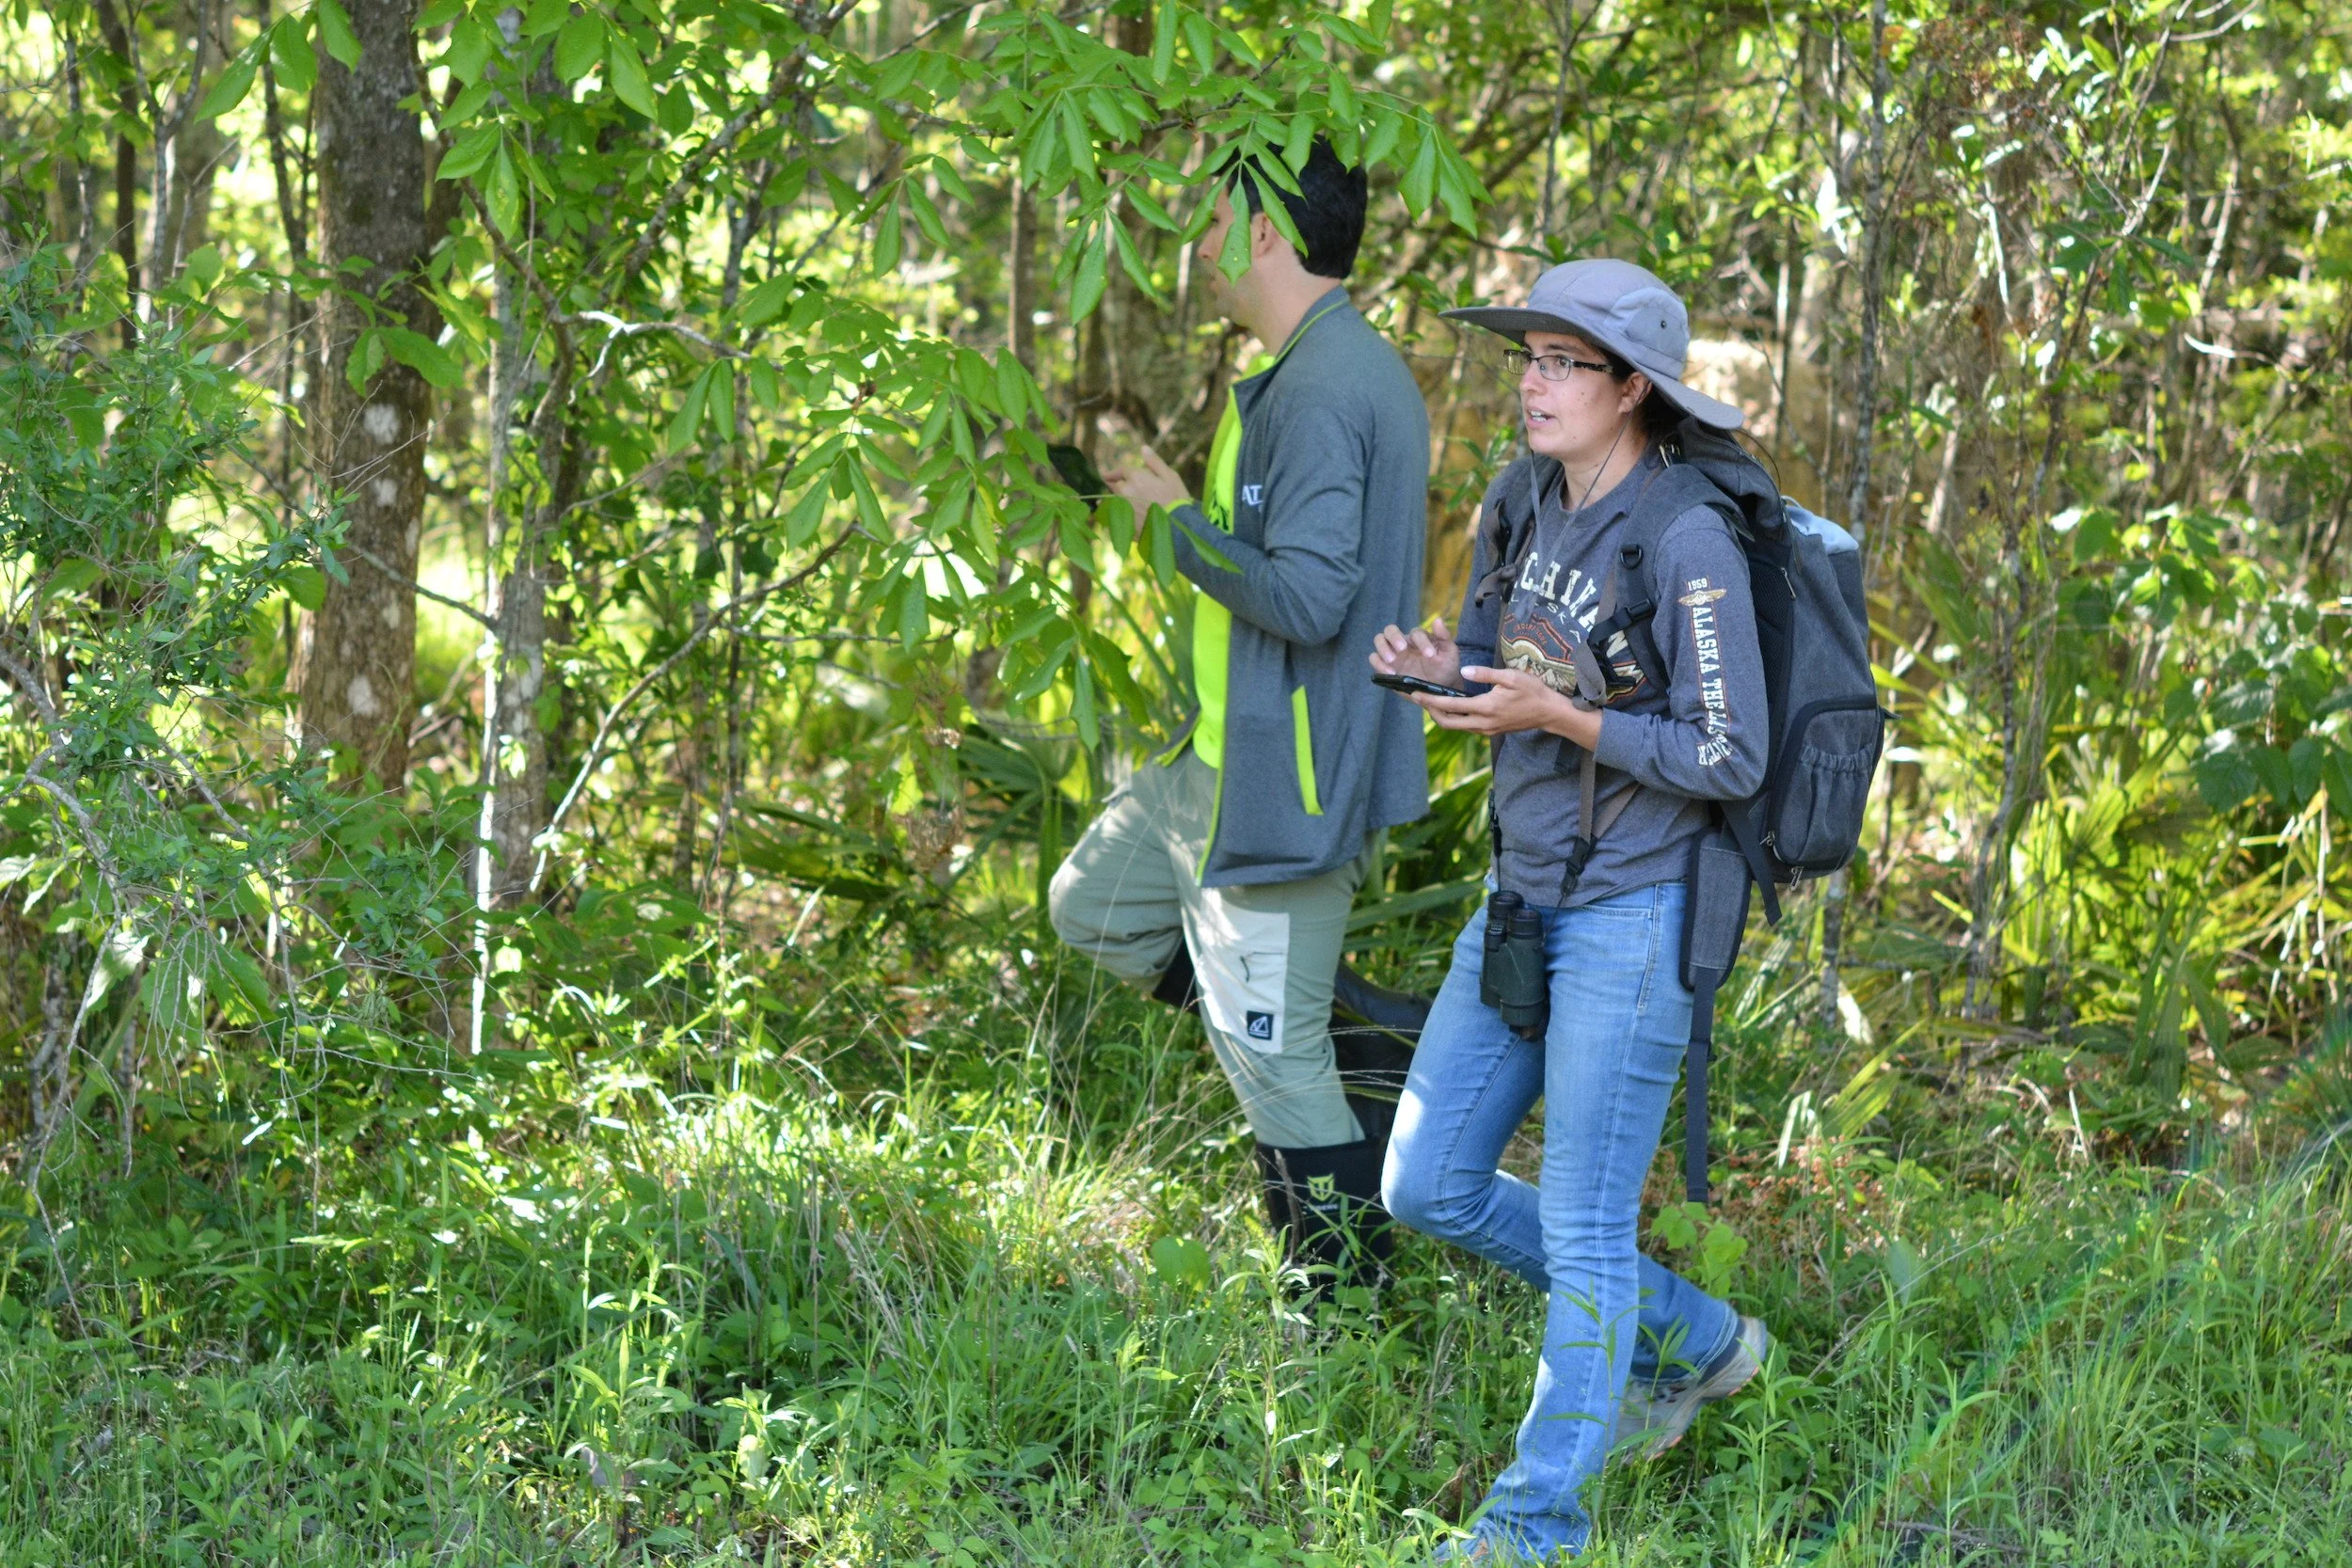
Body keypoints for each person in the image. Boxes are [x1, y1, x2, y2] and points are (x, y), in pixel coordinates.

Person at [1369, 258, 1774, 1560]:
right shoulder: (1522, 500)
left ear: (1633, 387)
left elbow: (1729, 753)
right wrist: (1448, 671)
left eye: (1561, 362)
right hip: (1520, 900)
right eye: (1527, 357)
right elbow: (1507, 662)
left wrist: (1561, 716)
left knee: (1587, 1224)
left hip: (1636, 912)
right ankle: (1700, 1339)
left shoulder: (1686, 535)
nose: (1531, 383)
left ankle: (1529, 1528)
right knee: (1425, 1179)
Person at [1045, 139, 1432, 1288]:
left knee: (1277, 1072)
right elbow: (1281, 561)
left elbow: (1309, 598)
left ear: (1264, 229)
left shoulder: (1322, 388)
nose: (1196, 240)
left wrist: (1171, 523)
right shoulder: (1302, 366)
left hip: (1278, 787)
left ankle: (1339, 1314)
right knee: (1093, 909)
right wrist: (1178, 511)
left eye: (1212, 216)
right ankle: (1350, 1029)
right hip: (1210, 762)